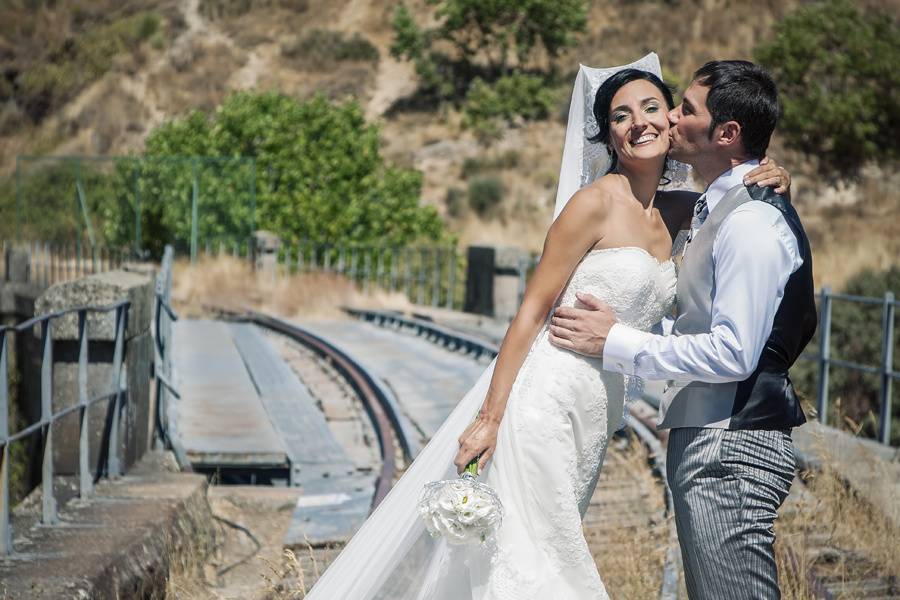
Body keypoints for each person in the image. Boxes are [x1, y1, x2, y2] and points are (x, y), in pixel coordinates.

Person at [304, 57, 791, 599]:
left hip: (595, 413)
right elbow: (531, 313)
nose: (641, 123)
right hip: (545, 402)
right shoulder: (591, 205)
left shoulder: (683, 209)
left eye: (654, 107)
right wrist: (489, 419)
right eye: (620, 116)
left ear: (674, 120)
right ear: (607, 135)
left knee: (536, 552)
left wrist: (771, 174)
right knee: (538, 565)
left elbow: (735, 200)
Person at [549, 60, 816, 600]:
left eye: (684, 109)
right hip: (712, 437)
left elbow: (736, 352)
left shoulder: (751, 221)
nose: (669, 116)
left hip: (731, 443)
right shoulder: (706, 208)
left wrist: (615, 341)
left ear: (726, 133)